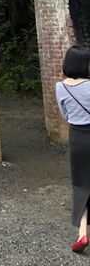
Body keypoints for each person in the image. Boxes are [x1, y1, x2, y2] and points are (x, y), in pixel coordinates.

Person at [56, 45, 90, 253]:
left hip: (77, 137)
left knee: (81, 185)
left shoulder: (60, 87)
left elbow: (65, 115)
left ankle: (82, 234)